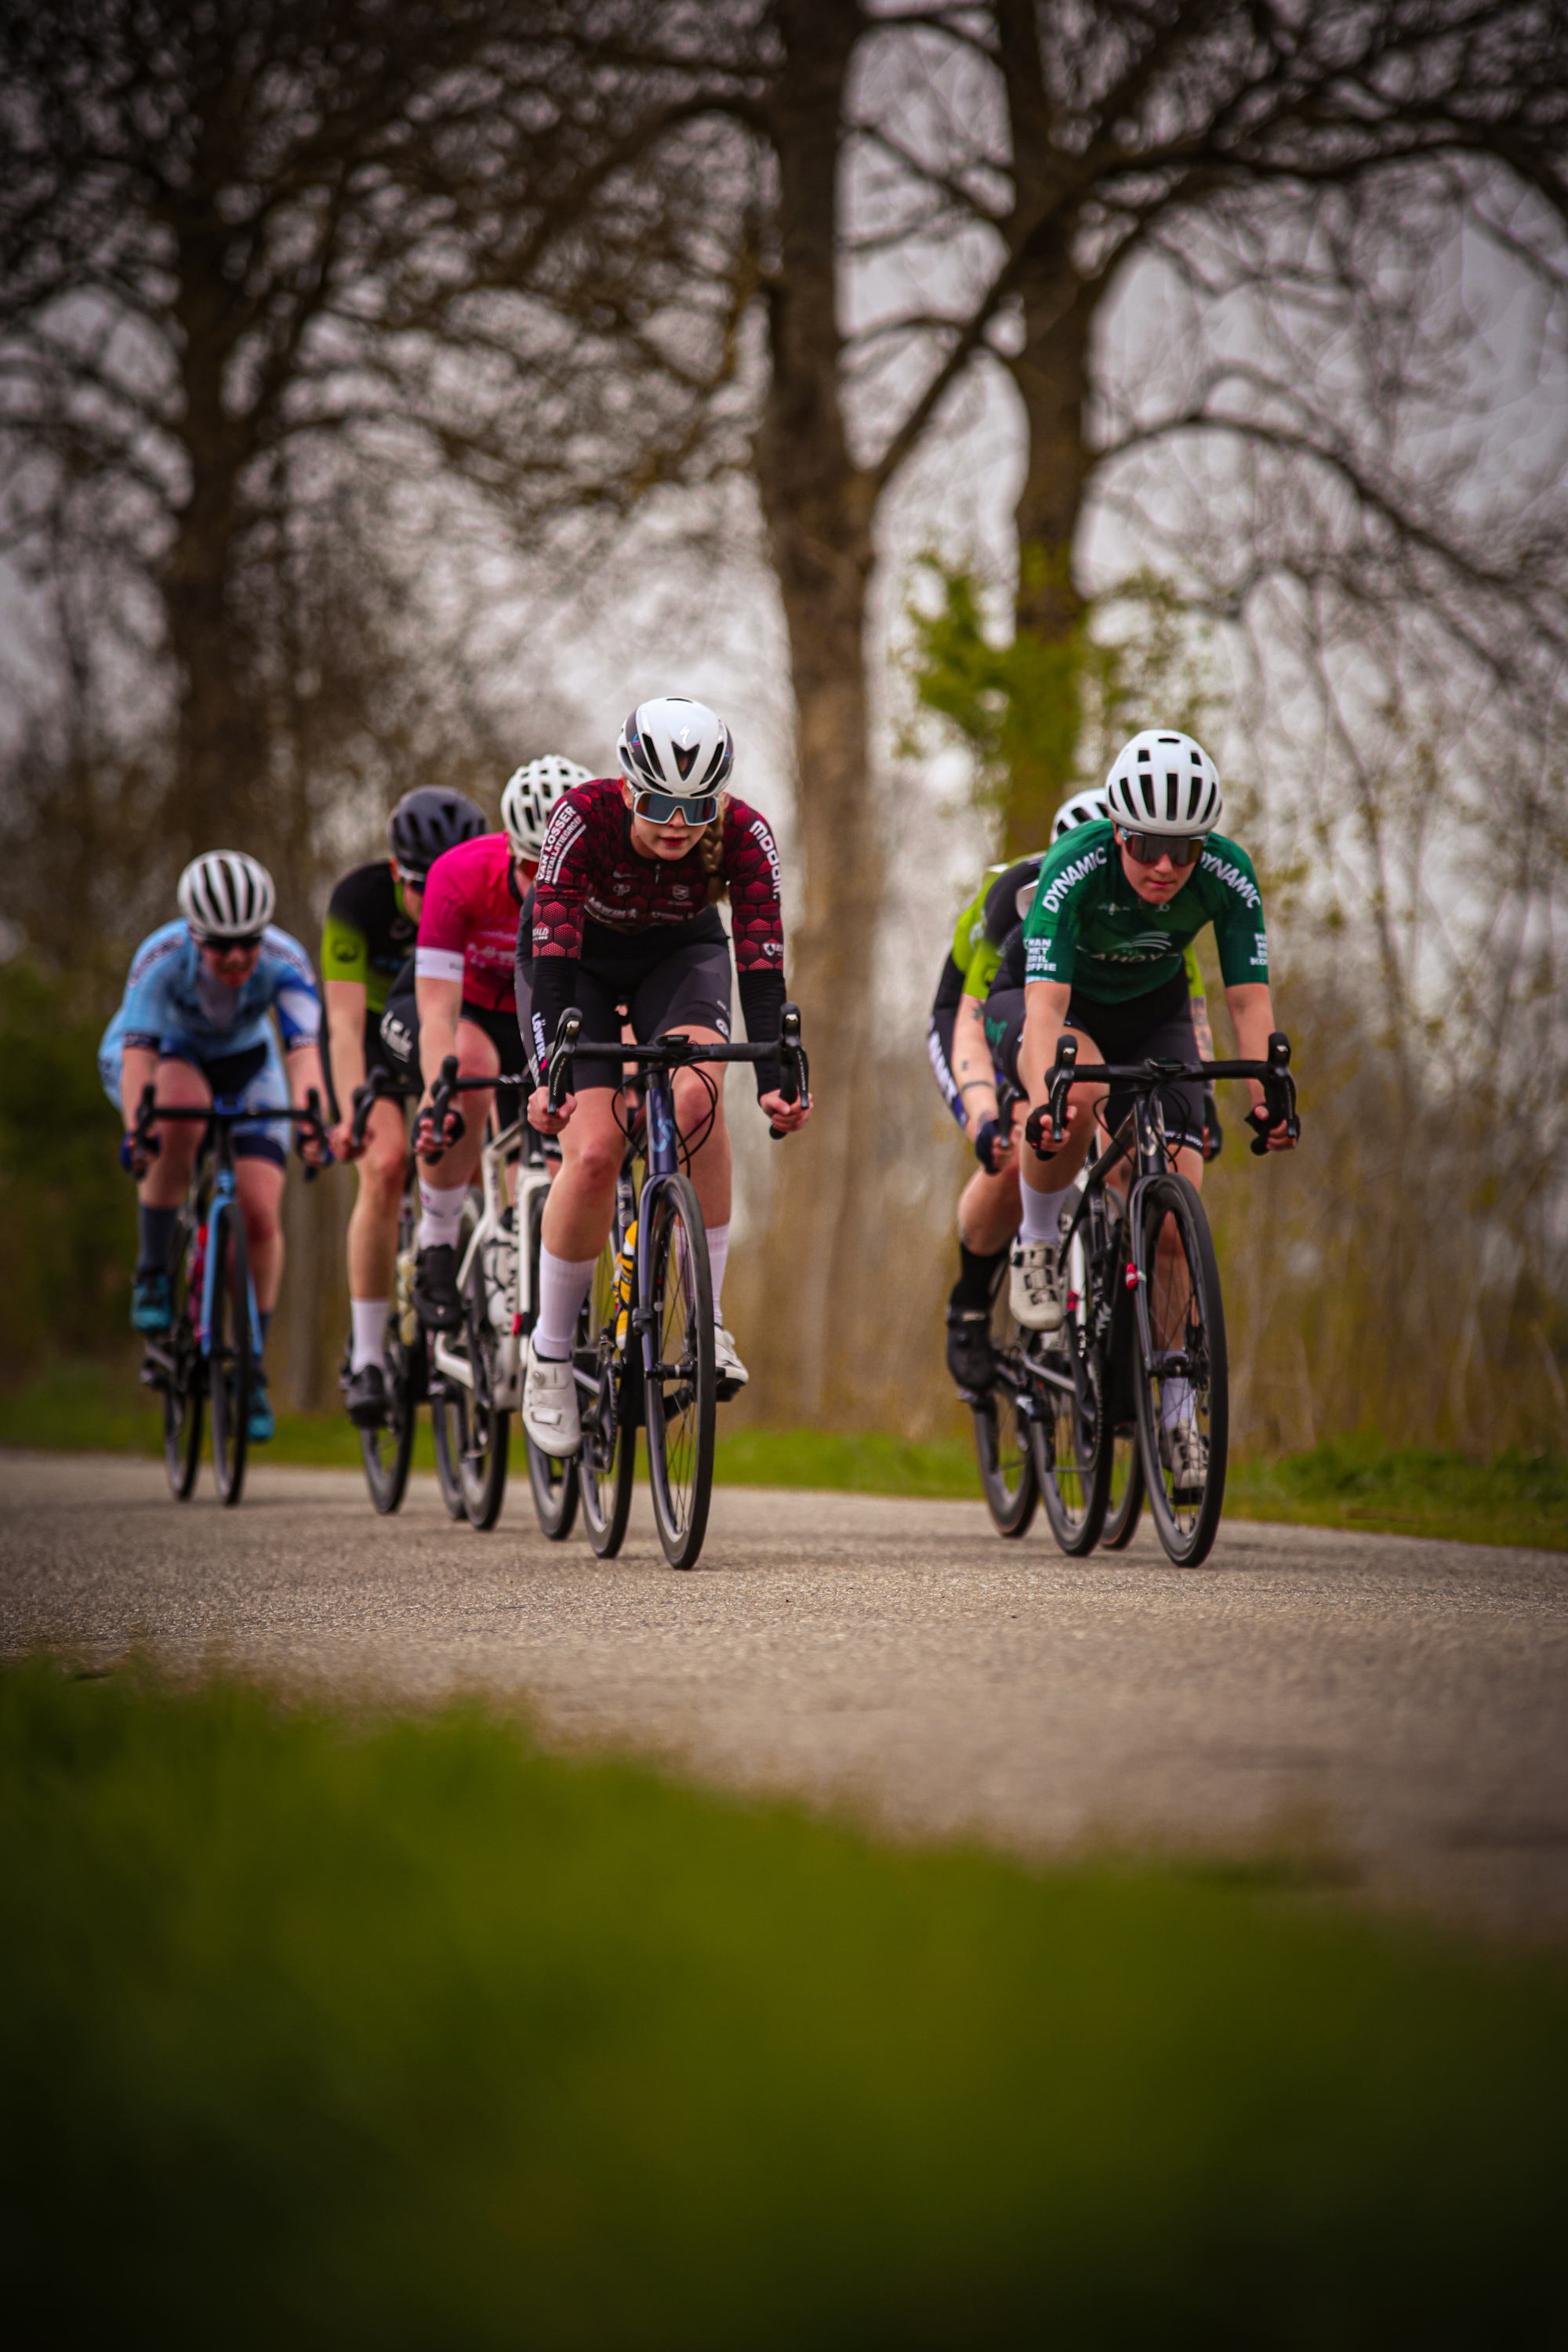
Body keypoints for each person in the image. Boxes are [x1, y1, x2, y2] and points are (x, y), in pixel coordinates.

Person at [520, 695, 810, 1457]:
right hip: (574, 963)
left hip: (678, 957)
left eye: (695, 807)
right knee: (589, 1153)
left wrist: (775, 1076)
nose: (676, 824)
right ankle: (550, 1354)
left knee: (697, 1093)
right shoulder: (578, 820)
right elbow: (549, 952)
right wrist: (549, 1072)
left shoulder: (744, 833)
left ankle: (706, 1319)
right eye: (656, 804)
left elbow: (759, 957)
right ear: (624, 784)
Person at [1007, 730, 1298, 1491]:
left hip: (1155, 1008)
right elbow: (1042, 1011)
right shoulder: (1075, 867)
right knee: (1073, 1103)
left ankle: (1175, 1414)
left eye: (1183, 849)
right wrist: (1045, 1098)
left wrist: (1268, 1096)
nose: (1164, 867)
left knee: (1177, 1211)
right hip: (1064, 1005)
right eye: (1143, 845)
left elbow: (1246, 999)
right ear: (1116, 831)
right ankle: (1037, 1240)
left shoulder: (1228, 876)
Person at [940, 791, 1221, 1393]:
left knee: (1136, 1147)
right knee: (1022, 1142)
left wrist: (1207, 1110)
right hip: (1001, 1015)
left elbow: (1193, 1020)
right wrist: (984, 1115)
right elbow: (971, 1017)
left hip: (1111, 1020)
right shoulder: (1016, 898)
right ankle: (969, 1307)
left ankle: (1130, 1326)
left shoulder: (1156, 913)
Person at [99, 851, 326, 1443]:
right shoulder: (160, 958)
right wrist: (137, 1128)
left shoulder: (284, 960)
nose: (235, 958)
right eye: (220, 945)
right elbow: (138, 1059)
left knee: (258, 1208)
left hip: (248, 1064)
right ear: (194, 935)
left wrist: (312, 1122)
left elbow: (304, 1054)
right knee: (180, 1113)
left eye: (247, 943)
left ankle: (249, 1362)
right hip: (164, 1057)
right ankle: (153, 1270)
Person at [408, 757, 592, 1332]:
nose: (547, 885)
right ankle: (437, 1239)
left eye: (563, 868)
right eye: (535, 868)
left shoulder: (602, 885)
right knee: (470, 1068)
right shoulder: (459, 875)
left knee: (568, 1138)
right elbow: (436, 1005)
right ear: (511, 853)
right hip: (480, 1011)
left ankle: (552, 1271)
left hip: (555, 1015)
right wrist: (438, 1085)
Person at [321, 788, 486, 1426]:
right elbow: (339, 1024)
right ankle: (367, 1354)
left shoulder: (481, 894)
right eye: (423, 886)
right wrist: (349, 1111)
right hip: (373, 1039)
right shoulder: (357, 899)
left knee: (477, 1150)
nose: (437, 900)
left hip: (452, 1031)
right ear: (396, 873)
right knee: (386, 1165)